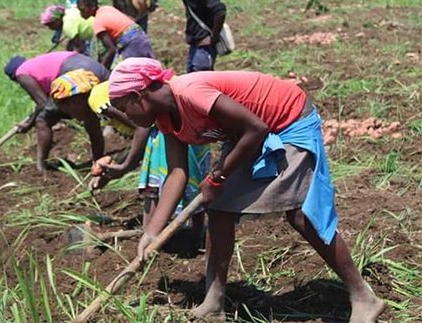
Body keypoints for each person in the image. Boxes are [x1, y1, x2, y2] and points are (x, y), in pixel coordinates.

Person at [105, 58, 385, 322]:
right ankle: (214, 302)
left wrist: (218, 177)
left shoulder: (189, 92)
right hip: (246, 134)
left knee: (302, 214)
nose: (123, 115)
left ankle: (363, 296)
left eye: (121, 106)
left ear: (138, 97)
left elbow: (257, 127)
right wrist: (152, 231)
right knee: (218, 210)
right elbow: (178, 173)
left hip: (288, 120)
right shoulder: (165, 119)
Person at [88, 81, 211, 245]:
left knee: (155, 187)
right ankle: (194, 236)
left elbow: (141, 128)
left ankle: (152, 235)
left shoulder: (104, 101)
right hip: (185, 130)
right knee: (191, 183)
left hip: (164, 138)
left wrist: (125, 166)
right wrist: (119, 166)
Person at [4, 52, 109, 171]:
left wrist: (30, 123)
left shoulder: (21, 74)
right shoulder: (33, 64)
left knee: (43, 121)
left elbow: (43, 103)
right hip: (96, 68)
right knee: (91, 114)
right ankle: (99, 161)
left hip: (76, 73)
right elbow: (46, 102)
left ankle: (41, 167)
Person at [77, 0, 154, 69]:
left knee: (124, 73)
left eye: (83, 10)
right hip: (140, 37)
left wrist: (101, 69)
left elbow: (111, 49)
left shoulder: (98, 23)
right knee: (150, 69)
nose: (81, 14)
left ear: (92, 7)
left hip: (131, 44)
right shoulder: (107, 8)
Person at [169, 0, 226, 72]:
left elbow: (220, 11)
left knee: (200, 82)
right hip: (196, 45)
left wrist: (214, 37)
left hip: (204, 47)